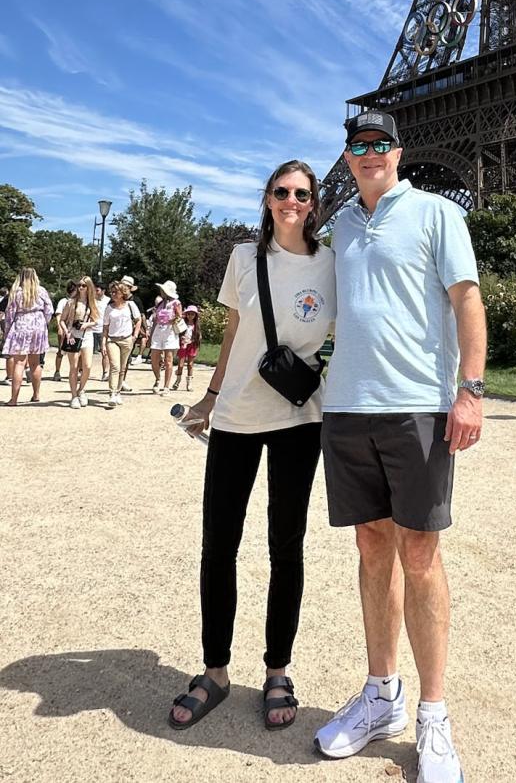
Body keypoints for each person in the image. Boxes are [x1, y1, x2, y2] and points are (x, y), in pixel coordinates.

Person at [315, 111, 486, 783]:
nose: (368, 154)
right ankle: (382, 694)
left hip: (417, 404)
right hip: (349, 406)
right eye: (357, 146)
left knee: (419, 550)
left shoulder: (437, 213)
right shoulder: (342, 226)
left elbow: (468, 300)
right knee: (370, 545)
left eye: (380, 144)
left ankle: (434, 714)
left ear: (399, 151)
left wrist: (470, 390)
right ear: (348, 156)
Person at [168, 160, 335, 733]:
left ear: (314, 202)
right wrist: (209, 398)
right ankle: (215, 670)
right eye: (282, 191)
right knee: (219, 544)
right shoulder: (243, 258)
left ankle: (277, 669)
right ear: (267, 198)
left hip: (298, 417)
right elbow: (236, 330)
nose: (292, 200)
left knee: (285, 546)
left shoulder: (330, 262)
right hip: (238, 414)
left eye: (302, 193)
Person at [2, 268, 53, 405]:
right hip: (38, 325)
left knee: (19, 363)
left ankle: (14, 399)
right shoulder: (41, 290)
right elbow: (49, 310)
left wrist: (7, 331)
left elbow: (10, 313)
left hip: (21, 324)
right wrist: (44, 323)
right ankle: (36, 395)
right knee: (35, 363)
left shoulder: (17, 292)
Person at [60, 275, 99, 408]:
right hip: (73, 335)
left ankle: (81, 389)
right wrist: (67, 332)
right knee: (74, 367)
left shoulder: (92, 302)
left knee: (87, 366)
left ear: (89, 287)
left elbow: (96, 320)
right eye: (79, 285)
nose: (81, 288)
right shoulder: (71, 302)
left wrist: (87, 324)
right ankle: (73, 396)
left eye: (83, 285)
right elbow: (62, 320)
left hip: (87, 335)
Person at [103, 280, 142, 406]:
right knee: (115, 366)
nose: (113, 294)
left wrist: (134, 336)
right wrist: (104, 342)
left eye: (116, 292)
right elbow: (105, 327)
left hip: (126, 339)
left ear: (122, 293)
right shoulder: (109, 308)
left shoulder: (130, 305)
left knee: (122, 368)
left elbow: (138, 320)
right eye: (112, 292)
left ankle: (118, 391)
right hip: (112, 340)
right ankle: (112, 393)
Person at [148, 281, 183, 394]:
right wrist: (151, 335)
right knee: (154, 357)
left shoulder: (175, 303)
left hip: (170, 331)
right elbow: (155, 320)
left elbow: (180, 316)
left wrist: (172, 319)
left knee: (168, 359)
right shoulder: (160, 303)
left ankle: (166, 386)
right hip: (158, 330)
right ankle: (158, 378)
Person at [172, 305, 201, 391]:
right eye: (189, 314)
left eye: (192, 314)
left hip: (192, 345)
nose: (190, 316)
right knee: (180, 364)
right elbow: (178, 331)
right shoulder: (183, 323)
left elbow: (199, 336)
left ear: (195, 316)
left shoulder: (196, 326)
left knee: (190, 364)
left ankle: (189, 383)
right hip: (183, 345)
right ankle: (178, 380)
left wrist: (194, 340)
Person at [51, 283, 76, 380]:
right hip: (65, 327)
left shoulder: (79, 301)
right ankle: (57, 372)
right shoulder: (63, 301)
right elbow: (58, 315)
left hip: (75, 330)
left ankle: (77, 371)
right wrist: (60, 328)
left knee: (77, 352)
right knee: (61, 351)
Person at [91, 283, 110, 381]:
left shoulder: (108, 301)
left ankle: (105, 372)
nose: (95, 292)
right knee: (87, 352)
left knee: (104, 352)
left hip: (102, 329)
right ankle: (82, 371)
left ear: (103, 291)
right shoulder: (92, 300)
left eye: (97, 290)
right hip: (91, 329)